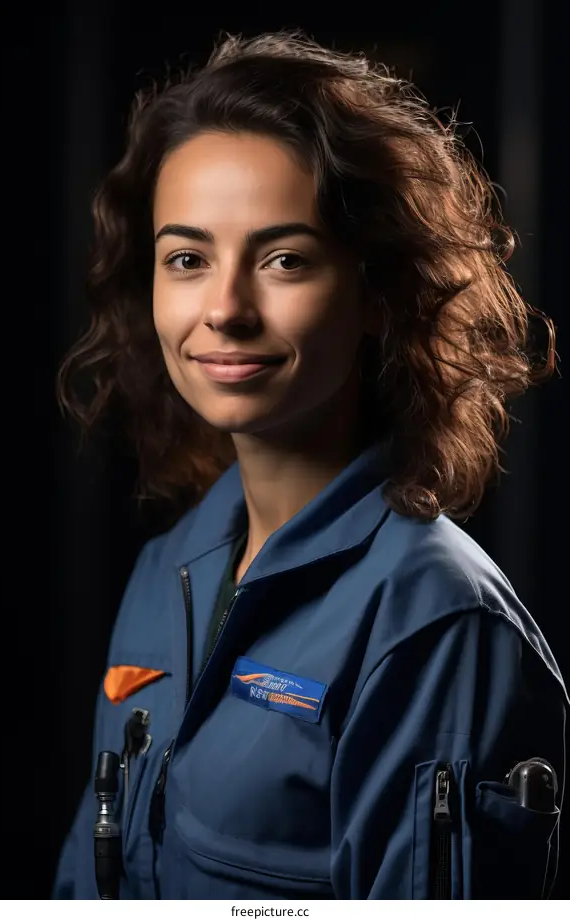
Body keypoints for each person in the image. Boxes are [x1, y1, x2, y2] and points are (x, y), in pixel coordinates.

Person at [53, 30, 567, 900]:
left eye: (284, 259)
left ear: (376, 293)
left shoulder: (435, 625)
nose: (223, 308)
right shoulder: (167, 573)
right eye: (187, 259)